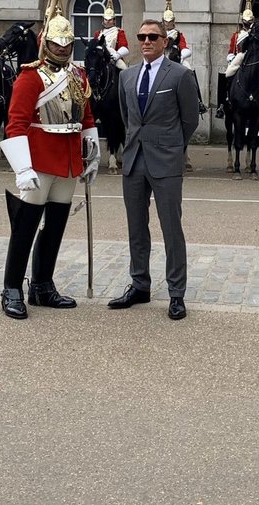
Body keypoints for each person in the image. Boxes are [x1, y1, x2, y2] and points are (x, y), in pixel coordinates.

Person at [0, 0, 100, 320]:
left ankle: (42, 284)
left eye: (68, 42)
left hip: (69, 160)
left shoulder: (77, 74)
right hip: (40, 158)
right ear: (46, 42)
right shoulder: (30, 78)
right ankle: (12, 287)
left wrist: (93, 152)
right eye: (58, 42)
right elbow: (15, 124)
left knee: (55, 226)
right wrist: (22, 168)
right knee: (25, 227)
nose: (63, 47)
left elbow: (85, 116)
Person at [108, 18, 199, 320]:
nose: (145, 41)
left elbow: (190, 120)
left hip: (166, 160)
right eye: (141, 36)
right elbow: (127, 116)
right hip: (134, 159)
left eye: (152, 36)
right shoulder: (127, 77)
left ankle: (176, 293)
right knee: (136, 227)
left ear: (164, 42)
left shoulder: (180, 76)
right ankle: (140, 284)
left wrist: (173, 147)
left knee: (171, 229)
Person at [215, 0, 259, 122]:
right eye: (245, 22)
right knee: (226, 75)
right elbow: (232, 50)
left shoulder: (257, 34)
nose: (247, 24)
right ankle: (222, 105)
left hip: (254, 58)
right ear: (242, 21)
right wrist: (231, 58)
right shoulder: (236, 35)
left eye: (249, 21)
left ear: (253, 21)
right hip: (239, 58)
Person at [163, 0, 207, 116]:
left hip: (176, 59)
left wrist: (182, 56)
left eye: (170, 21)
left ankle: (198, 101)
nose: (168, 24)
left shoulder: (178, 34)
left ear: (173, 21)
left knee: (189, 70)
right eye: (166, 22)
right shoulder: (159, 35)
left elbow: (185, 47)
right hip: (160, 58)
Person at [100, 0, 130, 70]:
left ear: (114, 20)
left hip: (114, 58)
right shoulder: (98, 33)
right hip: (100, 58)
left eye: (110, 20)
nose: (107, 22)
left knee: (124, 69)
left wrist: (117, 55)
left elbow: (124, 47)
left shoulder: (119, 32)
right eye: (106, 20)